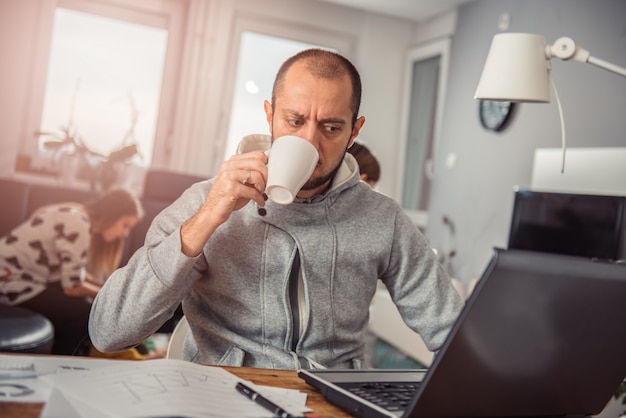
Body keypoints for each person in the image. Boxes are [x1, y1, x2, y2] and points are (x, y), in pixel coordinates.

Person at [89, 49, 463, 369]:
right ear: (270, 115)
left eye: (331, 128)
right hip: (223, 395)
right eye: (295, 121)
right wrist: (207, 219)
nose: (310, 142)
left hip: (331, 399)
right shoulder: (206, 200)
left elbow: (452, 330)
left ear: (354, 131)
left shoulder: (383, 219)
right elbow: (109, 331)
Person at [0, 187, 143, 355]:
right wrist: (112, 297)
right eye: (125, 225)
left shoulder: (73, 213)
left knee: (84, 306)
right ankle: (63, 365)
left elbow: (76, 274)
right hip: (10, 283)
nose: (125, 234)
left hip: (21, 279)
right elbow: (72, 286)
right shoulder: (77, 224)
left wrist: (109, 289)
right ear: (112, 215)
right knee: (90, 314)